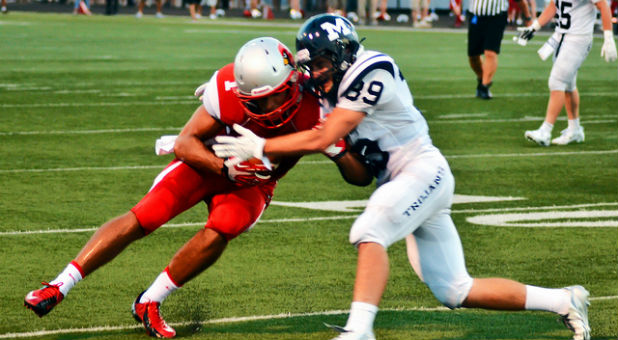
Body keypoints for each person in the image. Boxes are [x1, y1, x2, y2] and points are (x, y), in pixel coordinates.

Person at [213, 14, 592, 340]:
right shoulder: (324, 89)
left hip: (422, 170)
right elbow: (355, 173)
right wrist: (220, 97)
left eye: (324, 62)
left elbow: (324, 134)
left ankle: (360, 330)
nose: (316, 72)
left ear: (344, 53)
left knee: (370, 229)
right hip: (399, 182)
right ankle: (562, 299)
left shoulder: (373, 69)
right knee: (454, 289)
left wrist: (263, 148)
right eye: (313, 65)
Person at [23, 37, 368, 339]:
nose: (268, 108)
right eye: (258, 102)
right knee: (145, 216)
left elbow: (359, 177)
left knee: (225, 227)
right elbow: (186, 143)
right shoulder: (229, 90)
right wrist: (224, 168)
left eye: (273, 98)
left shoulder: (315, 107)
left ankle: (149, 301)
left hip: (254, 181)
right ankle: (58, 286)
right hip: (210, 163)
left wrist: (336, 148)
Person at [518, 0, 617, 146]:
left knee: (557, 82)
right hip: (562, 36)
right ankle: (575, 129)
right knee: (568, 84)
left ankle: (545, 131)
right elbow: (554, 6)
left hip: (578, 38)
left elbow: (603, 4)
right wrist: (534, 27)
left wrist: (608, 38)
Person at [468, 0, 531, 99]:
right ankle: (482, 79)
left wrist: (528, 17)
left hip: (496, 17)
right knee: (473, 56)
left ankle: (485, 86)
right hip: (476, 16)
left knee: (490, 52)